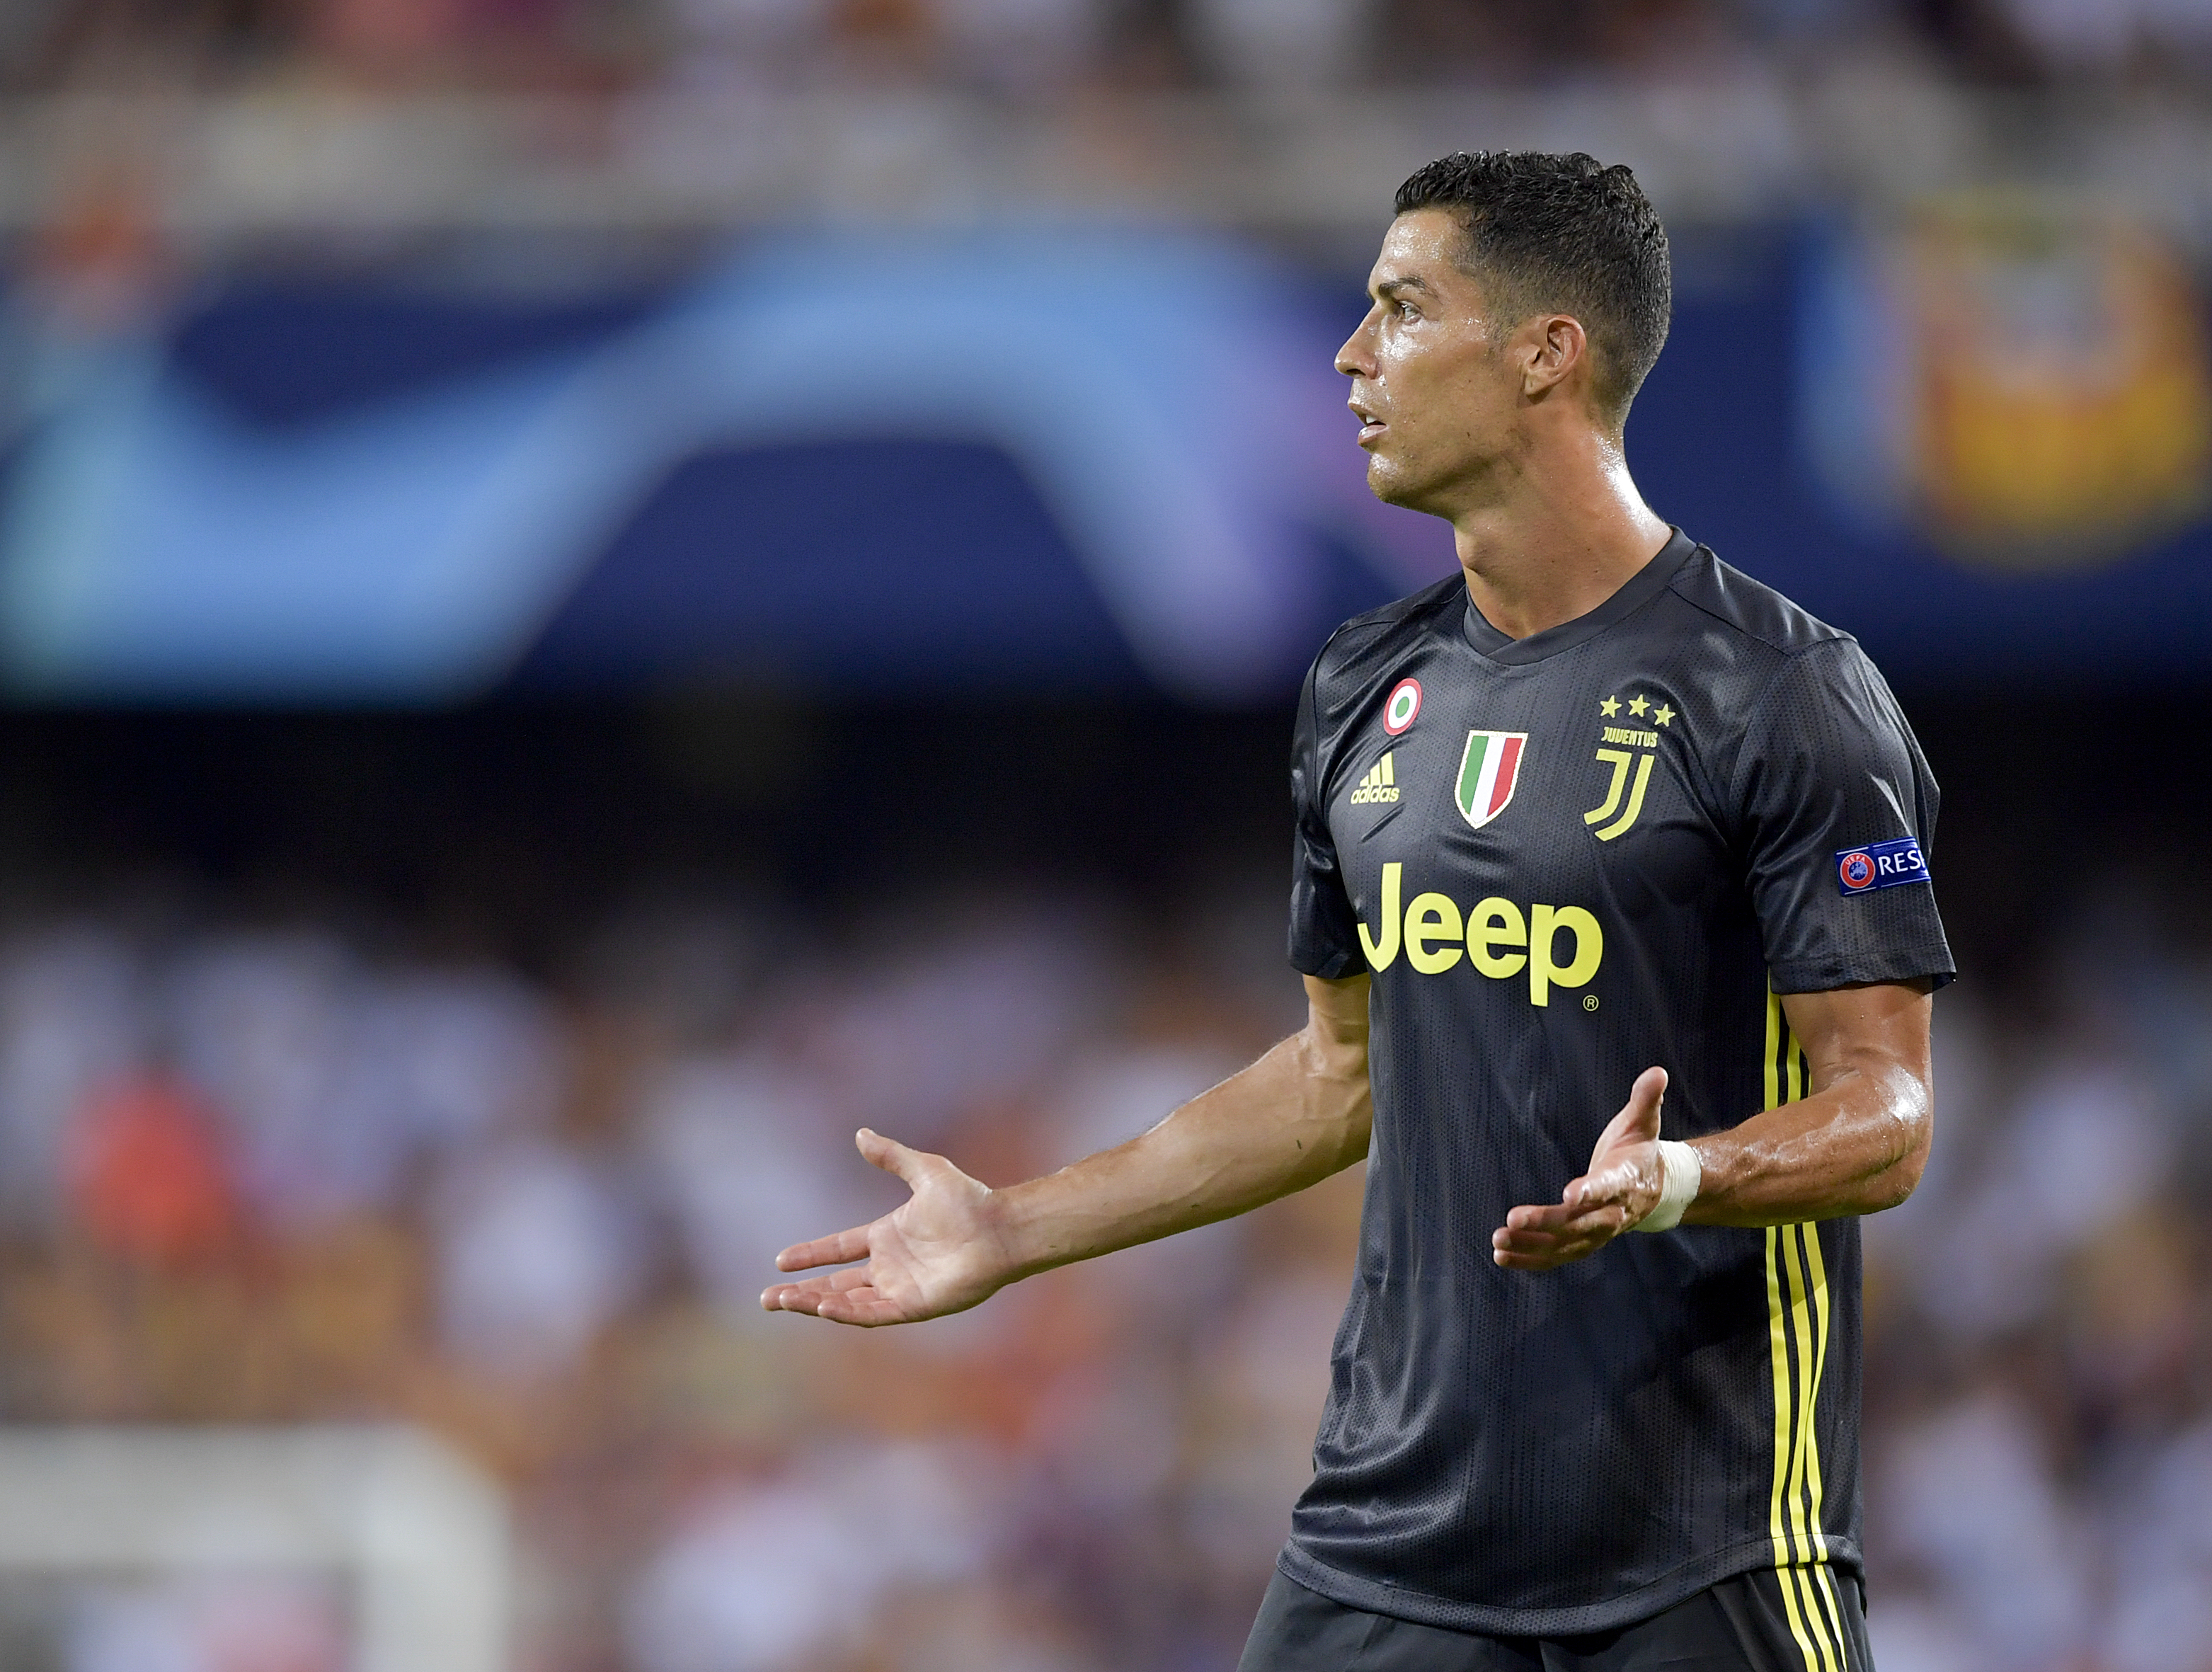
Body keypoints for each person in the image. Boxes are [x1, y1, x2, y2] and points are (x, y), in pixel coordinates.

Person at [760, 151, 1952, 1672]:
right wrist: (1010, 1225)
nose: (1347, 353)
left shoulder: (1781, 692)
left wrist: (1676, 1175)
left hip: (1701, 1546)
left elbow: (1889, 1110)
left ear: (1543, 353)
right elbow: (1337, 1074)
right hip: (1386, 1544)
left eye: (1398, 308)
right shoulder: (1359, 685)